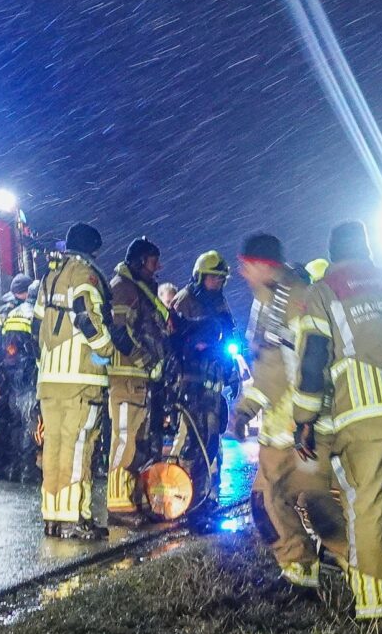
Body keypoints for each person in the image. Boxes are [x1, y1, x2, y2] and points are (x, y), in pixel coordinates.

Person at [289, 220, 382, 620]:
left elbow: (314, 357)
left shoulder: (325, 291)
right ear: (367, 249)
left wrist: (304, 417)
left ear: (334, 253)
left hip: (361, 414)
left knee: (366, 505)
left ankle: (373, 608)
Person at [234, 234, 343, 586]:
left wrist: (249, 407)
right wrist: (248, 408)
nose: (242, 273)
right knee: (269, 503)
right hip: (280, 430)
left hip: (300, 429)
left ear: (265, 266)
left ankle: (363, 573)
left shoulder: (295, 299)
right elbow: (267, 363)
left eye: (247, 266)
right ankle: (299, 573)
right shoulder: (266, 301)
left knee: (315, 505)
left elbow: (285, 370)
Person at [36, 224, 120, 540]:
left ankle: (53, 516)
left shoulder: (49, 277)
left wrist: (45, 363)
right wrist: (107, 349)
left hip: (49, 380)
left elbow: (35, 327)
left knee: (54, 447)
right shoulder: (85, 274)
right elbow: (86, 316)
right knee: (78, 448)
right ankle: (75, 519)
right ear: (93, 250)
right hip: (81, 381)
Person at [161, 250, 240, 522]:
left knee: (210, 439)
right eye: (213, 278)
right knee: (187, 440)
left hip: (214, 381)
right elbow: (173, 341)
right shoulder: (185, 301)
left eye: (221, 279)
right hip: (191, 380)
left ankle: (203, 494)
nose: (217, 283)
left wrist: (232, 373)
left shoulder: (220, 304)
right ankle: (173, 492)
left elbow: (228, 338)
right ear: (200, 277)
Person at [104, 237, 170, 521]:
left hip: (140, 378)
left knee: (138, 442)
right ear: (140, 261)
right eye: (154, 262)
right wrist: (144, 359)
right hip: (126, 377)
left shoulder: (140, 289)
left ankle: (131, 499)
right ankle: (118, 504)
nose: (158, 268)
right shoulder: (123, 288)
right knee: (125, 441)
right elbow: (120, 331)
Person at [0, 273, 39, 482]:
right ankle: (26, 469)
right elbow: (38, 347)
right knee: (28, 421)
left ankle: (9, 467)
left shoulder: (8, 312)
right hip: (27, 374)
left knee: (12, 422)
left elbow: (0, 344)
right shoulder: (34, 314)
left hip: (8, 374)